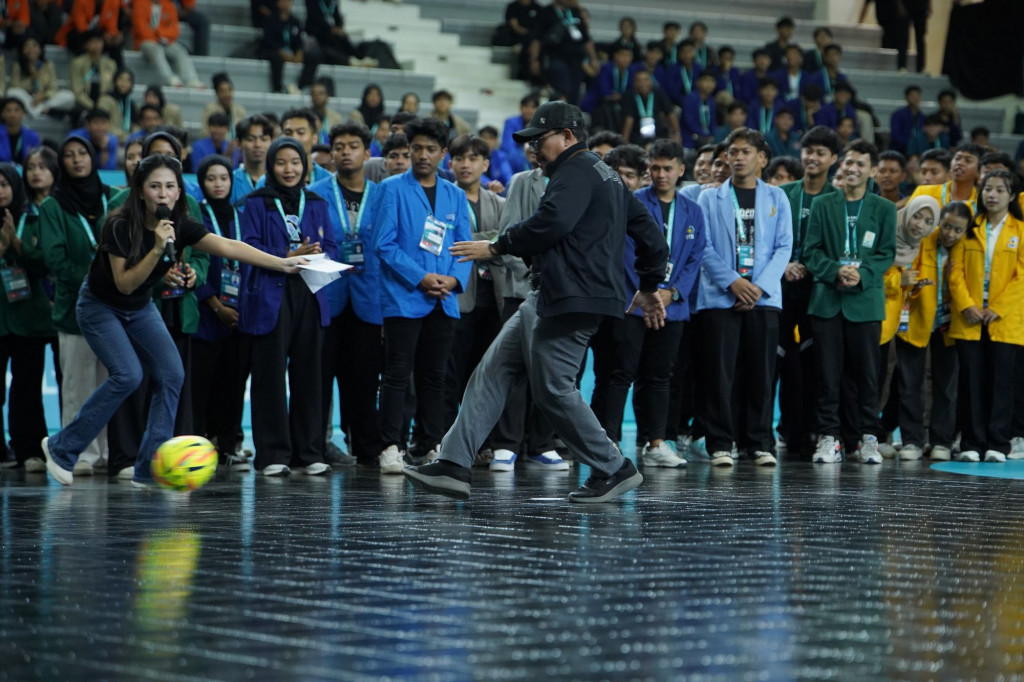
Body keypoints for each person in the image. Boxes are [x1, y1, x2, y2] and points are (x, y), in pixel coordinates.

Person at [403, 101, 669, 502]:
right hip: (551, 294)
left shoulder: (574, 170)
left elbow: (553, 223)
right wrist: (649, 283)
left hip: (571, 297)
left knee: (553, 389)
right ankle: (455, 464)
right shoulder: (607, 176)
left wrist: (496, 245)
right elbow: (651, 235)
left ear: (567, 137)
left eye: (539, 140)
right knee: (492, 371)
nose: (533, 150)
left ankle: (614, 467)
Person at [40, 154, 307, 486]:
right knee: (128, 374)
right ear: (140, 191)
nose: (163, 194)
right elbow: (125, 284)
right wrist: (156, 248)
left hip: (139, 308)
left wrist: (280, 263)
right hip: (100, 306)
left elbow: (227, 245)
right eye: (155, 186)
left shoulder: (181, 224)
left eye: (170, 186)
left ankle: (149, 468)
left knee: (172, 374)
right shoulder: (120, 224)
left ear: (179, 192)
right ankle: (62, 447)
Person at [373, 117, 472, 472]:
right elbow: (383, 245)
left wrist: (454, 281)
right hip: (404, 297)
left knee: (436, 376)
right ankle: (391, 446)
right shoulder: (391, 188)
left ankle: (431, 444)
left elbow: (463, 246)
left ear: (444, 154)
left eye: (431, 149)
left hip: (444, 298)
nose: (423, 155)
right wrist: (421, 277)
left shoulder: (455, 195)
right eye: (417, 148)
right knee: (397, 374)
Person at [601, 139, 704, 467]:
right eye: (655, 168)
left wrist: (669, 294)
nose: (661, 174)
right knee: (621, 373)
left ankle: (656, 442)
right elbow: (625, 254)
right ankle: (609, 441)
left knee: (661, 376)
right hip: (633, 304)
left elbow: (694, 259)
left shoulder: (693, 210)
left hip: (671, 307)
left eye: (667, 168)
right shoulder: (632, 203)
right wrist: (647, 293)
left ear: (681, 170)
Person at [239, 138, 336, 476]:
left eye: (295, 162)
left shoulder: (318, 202)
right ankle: (273, 455)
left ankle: (309, 453)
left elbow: (333, 245)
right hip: (271, 295)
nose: (289, 169)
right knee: (269, 377)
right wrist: (285, 257)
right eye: (281, 162)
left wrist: (316, 256)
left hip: (310, 293)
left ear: (305, 166)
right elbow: (247, 247)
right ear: (270, 166)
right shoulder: (256, 203)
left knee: (310, 374)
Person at [696, 128, 792, 467]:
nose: (737, 157)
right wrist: (734, 283)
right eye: (732, 152)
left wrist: (758, 287)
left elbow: (783, 247)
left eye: (745, 152)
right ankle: (721, 443)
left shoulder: (777, 198)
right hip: (720, 297)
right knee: (719, 374)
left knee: (761, 373)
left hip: (764, 299)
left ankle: (758, 442)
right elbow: (702, 247)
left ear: (762, 158)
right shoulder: (709, 197)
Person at [802, 140, 897, 463]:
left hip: (865, 301)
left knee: (868, 375)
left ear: (872, 171)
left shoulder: (883, 208)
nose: (853, 169)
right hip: (827, 299)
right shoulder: (823, 204)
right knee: (827, 375)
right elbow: (810, 251)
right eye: (849, 163)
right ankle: (829, 437)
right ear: (841, 167)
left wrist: (863, 274)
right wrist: (835, 270)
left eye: (861, 164)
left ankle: (869, 437)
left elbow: (886, 253)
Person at [38, 137, 115, 476]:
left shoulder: (110, 197)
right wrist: (94, 275)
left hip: (114, 307)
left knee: (109, 383)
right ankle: (78, 453)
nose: (77, 160)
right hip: (76, 310)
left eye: (82, 153)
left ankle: (108, 452)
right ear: (62, 165)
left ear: (93, 158)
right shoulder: (53, 207)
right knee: (77, 386)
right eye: (68, 156)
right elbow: (55, 258)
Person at [308, 122, 383, 466]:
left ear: (367, 154)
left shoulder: (383, 194)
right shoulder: (316, 193)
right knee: (319, 378)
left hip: (369, 299)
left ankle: (367, 448)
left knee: (365, 379)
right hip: (327, 298)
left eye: (353, 146)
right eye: (338, 147)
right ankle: (314, 448)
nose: (345, 152)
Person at [949, 170, 1024, 463]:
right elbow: (954, 272)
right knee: (970, 381)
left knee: (1002, 383)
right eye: (988, 189)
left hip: (1004, 320)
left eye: (1000, 190)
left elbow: (1022, 277)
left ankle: (997, 443)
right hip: (970, 317)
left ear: (1012, 196)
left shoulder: (1020, 229)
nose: (992, 195)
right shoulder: (970, 227)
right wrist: (967, 305)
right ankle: (971, 442)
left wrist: (999, 307)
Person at [442, 135, 506, 462]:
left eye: (473, 158)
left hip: (492, 301)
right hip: (456, 299)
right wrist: (490, 244)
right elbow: (448, 244)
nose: (465, 164)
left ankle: (482, 442)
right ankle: (447, 443)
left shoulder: (499, 203)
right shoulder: (443, 197)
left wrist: (474, 243)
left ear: (485, 164)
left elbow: (512, 242)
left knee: (486, 379)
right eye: (459, 158)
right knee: (450, 377)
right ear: (449, 163)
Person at [778, 126, 841, 457]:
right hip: (781, 289)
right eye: (808, 151)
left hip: (820, 293)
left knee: (816, 366)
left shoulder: (837, 198)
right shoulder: (783, 193)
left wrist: (810, 265)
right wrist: (785, 264)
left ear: (833, 159)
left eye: (820, 153)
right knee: (780, 364)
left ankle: (814, 430)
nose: (812, 157)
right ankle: (781, 430)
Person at [894, 200, 968, 462]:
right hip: (915, 320)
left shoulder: (965, 248)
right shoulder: (923, 239)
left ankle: (941, 440)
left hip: (950, 325)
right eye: (946, 226)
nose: (950, 233)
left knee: (946, 385)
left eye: (958, 230)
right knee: (910, 384)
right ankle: (912, 440)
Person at [190, 155, 251, 471]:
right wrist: (216, 305)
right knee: (201, 386)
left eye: (223, 178)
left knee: (233, 385)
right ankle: (198, 447)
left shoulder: (241, 215)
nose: (218, 184)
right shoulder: (196, 216)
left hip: (239, 317)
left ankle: (227, 445)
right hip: (206, 316)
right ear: (202, 183)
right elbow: (196, 263)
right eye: (211, 178)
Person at [0, 163, 54, 470]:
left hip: (28, 317)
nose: (1, 191)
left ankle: (30, 448)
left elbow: (44, 264)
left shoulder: (33, 219)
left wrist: (17, 246)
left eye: (5, 184)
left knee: (27, 386)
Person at [131, 0, 202, 88]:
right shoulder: (140, 4)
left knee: (180, 51)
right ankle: (170, 79)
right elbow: (141, 29)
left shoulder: (169, 5)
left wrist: (158, 32)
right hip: (145, 41)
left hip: (164, 41)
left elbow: (174, 30)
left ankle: (191, 79)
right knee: (156, 49)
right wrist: (159, 35)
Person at [7, 36, 75, 118]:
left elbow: (53, 88)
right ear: (22, 50)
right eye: (27, 46)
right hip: (28, 99)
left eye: (34, 46)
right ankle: (41, 111)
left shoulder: (48, 65)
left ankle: (35, 110)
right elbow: (15, 86)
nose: (31, 49)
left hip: (44, 100)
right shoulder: (17, 65)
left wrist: (43, 96)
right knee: (11, 92)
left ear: (40, 49)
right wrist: (32, 78)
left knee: (69, 96)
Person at [908, 143, 983, 214]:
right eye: (957, 158)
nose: (960, 163)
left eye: (968, 161)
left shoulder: (981, 204)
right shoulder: (923, 192)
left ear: (979, 172)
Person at [256, 0, 305, 95]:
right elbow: (268, 40)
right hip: (273, 50)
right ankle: (277, 88)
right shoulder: (271, 19)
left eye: (288, 1)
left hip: (290, 51)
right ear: (277, 3)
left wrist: (299, 52)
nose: (286, 3)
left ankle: (300, 85)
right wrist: (281, 52)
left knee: (312, 56)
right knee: (277, 58)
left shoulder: (295, 21)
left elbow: (299, 41)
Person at [56, 0, 126, 66]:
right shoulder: (81, 1)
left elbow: (111, 27)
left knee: (115, 45)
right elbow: (81, 28)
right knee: (78, 39)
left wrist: (114, 36)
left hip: (100, 37)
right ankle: (83, 69)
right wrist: (102, 36)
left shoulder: (113, 2)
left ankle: (119, 73)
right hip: (79, 35)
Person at [621, 70, 679, 146]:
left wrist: (676, 133)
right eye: (639, 80)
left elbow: (670, 113)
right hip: (637, 136)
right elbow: (629, 119)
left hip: (658, 135)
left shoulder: (658, 93)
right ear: (634, 83)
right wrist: (625, 141)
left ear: (651, 81)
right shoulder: (629, 96)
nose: (642, 83)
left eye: (646, 80)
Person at [69, 29, 117, 113]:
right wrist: (92, 106)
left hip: (103, 102)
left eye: (99, 42)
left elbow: (111, 87)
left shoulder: (110, 64)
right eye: (93, 42)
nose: (97, 45)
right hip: (83, 100)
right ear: (86, 45)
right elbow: (77, 90)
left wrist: (101, 104)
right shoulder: (78, 63)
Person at [232, 115, 273, 209]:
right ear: (238, 143)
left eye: (263, 139)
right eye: (251, 139)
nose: (258, 145)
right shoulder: (230, 181)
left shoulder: (279, 181)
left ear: (271, 141)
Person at [201, 73, 247, 139]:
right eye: (222, 91)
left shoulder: (240, 110)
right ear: (216, 93)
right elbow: (205, 133)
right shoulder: (210, 109)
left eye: (230, 90)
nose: (227, 94)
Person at [98, 68, 139, 142]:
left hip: (128, 140)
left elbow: (135, 124)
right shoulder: (106, 100)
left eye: (128, 80)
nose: (124, 83)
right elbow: (101, 124)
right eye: (121, 79)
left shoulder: (131, 103)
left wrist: (135, 134)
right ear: (115, 81)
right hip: (109, 139)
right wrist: (124, 136)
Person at [0, 98, 38, 166]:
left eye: (16, 110)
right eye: (8, 110)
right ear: (2, 114)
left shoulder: (32, 136)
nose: (12, 114)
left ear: (23, 113)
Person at [890, 86, 925, 155]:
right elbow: (895, 135)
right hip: (900, 149)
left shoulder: (922, 116)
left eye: (917, 96)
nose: (915, 98)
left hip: (918, 150)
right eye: (912, 96)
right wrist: (911, 144)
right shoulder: (898, 114)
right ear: (906, 97)